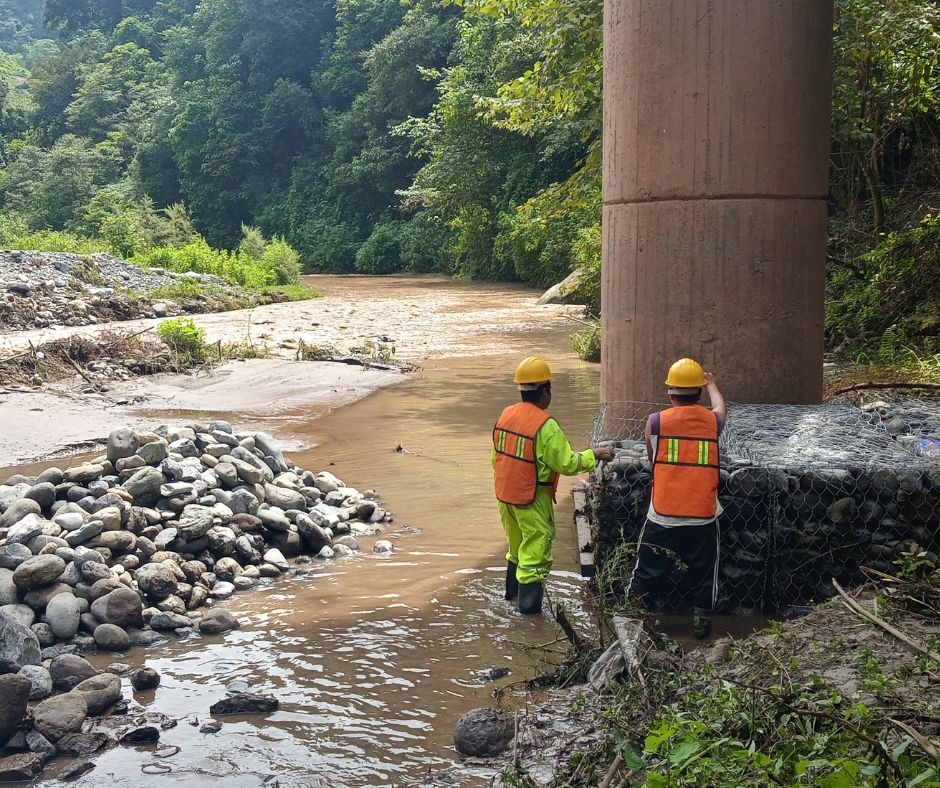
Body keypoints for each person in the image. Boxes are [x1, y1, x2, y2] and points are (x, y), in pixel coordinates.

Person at [492, 357, 614, 614]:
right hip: (533, 499)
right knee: (535, 555)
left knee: (516, 550)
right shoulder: (545, 425)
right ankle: (528, 618)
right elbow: (568, 464)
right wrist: (594, 454)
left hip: (506, 496)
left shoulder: (505, 414)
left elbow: (497, 459)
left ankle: (510, 600)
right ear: (545, 391)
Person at [628, 358, 727, 638]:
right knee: (704, 575)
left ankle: (635, 624)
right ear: (698, 392)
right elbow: (721, 407)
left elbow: (651, 457)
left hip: (663, 515)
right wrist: (713, 384)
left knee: (647, 572)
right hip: (702, 517)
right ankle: (701, 628)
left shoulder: (656, 422)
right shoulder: (711, 421)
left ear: (670, 392)